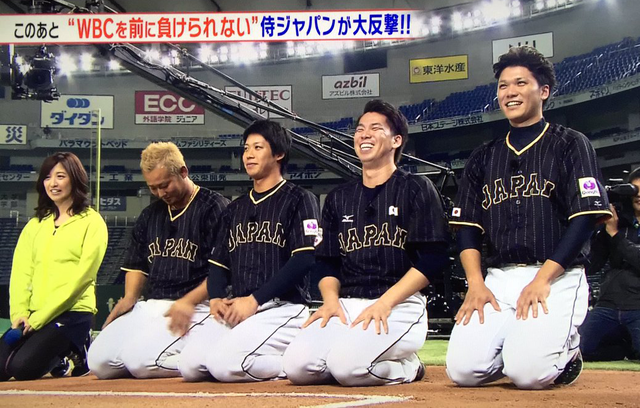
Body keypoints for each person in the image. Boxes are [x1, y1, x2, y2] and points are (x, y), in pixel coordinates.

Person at [446, 46, 612, 389]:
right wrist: (475, 283)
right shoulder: (483, 156)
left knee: (529, 374)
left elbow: (585, 218)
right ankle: (522, 347)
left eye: (521, 83)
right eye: (503, 86)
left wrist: (543, 278)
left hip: (556, 276)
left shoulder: (571, 144)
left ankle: (567, 352)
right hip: (498, 278)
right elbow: (467, 227)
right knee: (463, 371)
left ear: (544, 91)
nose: (510, 92)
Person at [283, 99, 449, 386]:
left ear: (396, 140)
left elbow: (433, 258)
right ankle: (354, 357)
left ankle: (409, 367)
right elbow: (326, 261)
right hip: (347, 303)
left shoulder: (417, 187)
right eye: (360, 129)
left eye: (375, 128)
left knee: (347, 368)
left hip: (399, 304)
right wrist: (330, 301)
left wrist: (386, 302)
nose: (364, 134)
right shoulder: (338, 197)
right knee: (298, 367)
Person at [178, 120, 320, 382]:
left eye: (258, 147)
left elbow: (304, 258)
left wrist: (255, 299)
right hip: (240, 308)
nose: (249, 155)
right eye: (246, 148)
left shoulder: (301, 199)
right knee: (190, 366)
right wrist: (216, 298)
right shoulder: (234, 209)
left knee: (224, 365)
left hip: (282, 307)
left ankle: (296, 363)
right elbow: (218, 264)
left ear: (279, 154)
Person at [88, 142, 229, 379]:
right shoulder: (150, 214)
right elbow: (137, 264)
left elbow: (224, 270)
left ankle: (206, 360)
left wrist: (188, 301)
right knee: (99, 361)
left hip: (197, 307)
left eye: (164, 185)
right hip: (153, 304)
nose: (160, 193)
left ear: (183, 172)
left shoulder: (214, 207)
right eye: (152, 188)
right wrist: (130, 297)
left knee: (140, 362)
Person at [0, 152, 107, 381]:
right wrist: (19, 313)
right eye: (48, 177)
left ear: (75, 179)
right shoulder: (35, 225)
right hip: (34, 315)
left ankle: (76, 350)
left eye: (60, 176)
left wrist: (40, 318)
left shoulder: (92, 222)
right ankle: (57, 355)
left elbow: (83, 278)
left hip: (72, 314)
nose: (53, 183)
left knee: (22, 369)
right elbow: (21, 273)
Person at [580, 168, 640, 361]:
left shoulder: (615, 230)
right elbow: (593, 265)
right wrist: (595, 228)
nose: (639, 195)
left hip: (638, 306)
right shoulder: (617, 222)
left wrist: (614, 235)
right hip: (609, 305)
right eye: (635, 190)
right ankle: (624, 348)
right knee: (579, 349)